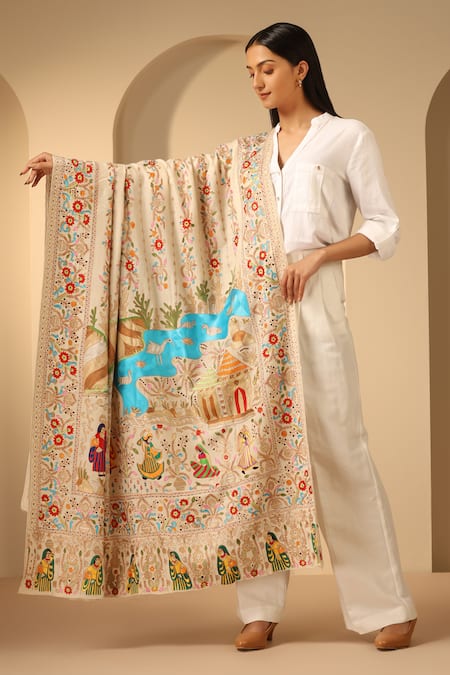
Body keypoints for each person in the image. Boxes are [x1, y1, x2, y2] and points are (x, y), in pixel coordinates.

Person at [21, 21, 417, 652]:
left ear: (301, 69)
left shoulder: (347, 138)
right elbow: (163, 182)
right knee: (251, 458)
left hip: (312, 313)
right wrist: (74, 173)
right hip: (248, 325)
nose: (257, 82)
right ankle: (259, 609)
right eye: (250, 72)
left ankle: (386, 607)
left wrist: (320, 256)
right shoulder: (247, 157)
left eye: (268, 68)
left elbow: (385, 226)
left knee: (339, 454)